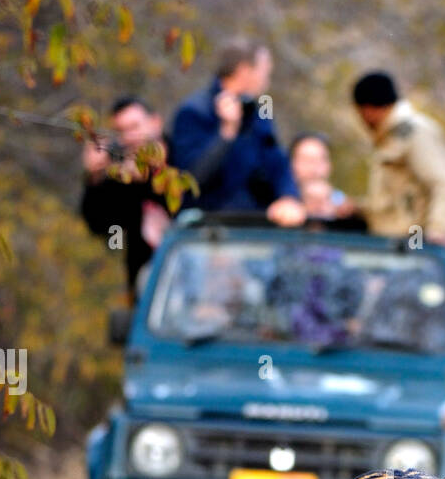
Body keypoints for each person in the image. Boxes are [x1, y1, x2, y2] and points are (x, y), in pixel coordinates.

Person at [169, 41, 304, 223]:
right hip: (207, 231)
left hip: (253, 227)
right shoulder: (194, 111)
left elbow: (276, 160)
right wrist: (226, 134)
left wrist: (288, 197)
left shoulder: (259, 112)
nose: (267, 78)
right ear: (244, 70)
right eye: (263, 71)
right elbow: (191, 179)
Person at [351, 71, 445, 244]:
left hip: (413, 238)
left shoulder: (415, 133)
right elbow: (394, 202)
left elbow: (444, 185)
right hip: (391, 241)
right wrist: (357, 209)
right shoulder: (391, 136)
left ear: (368, 109)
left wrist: (438, 230)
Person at [79, 96, 172, 294]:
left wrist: (152, 178)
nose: (130, 137)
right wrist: (94, 178)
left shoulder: (183, 156)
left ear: (155, 123)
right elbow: (103, 227)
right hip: (146, 289)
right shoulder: (121, 176)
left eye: (135, 127)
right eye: (122, 132)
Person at [289, 132, 350, 218]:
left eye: (321, 159)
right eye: (307, 160)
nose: (315, 167)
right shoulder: (281, 199)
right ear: (291, 164)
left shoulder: (340, 201)